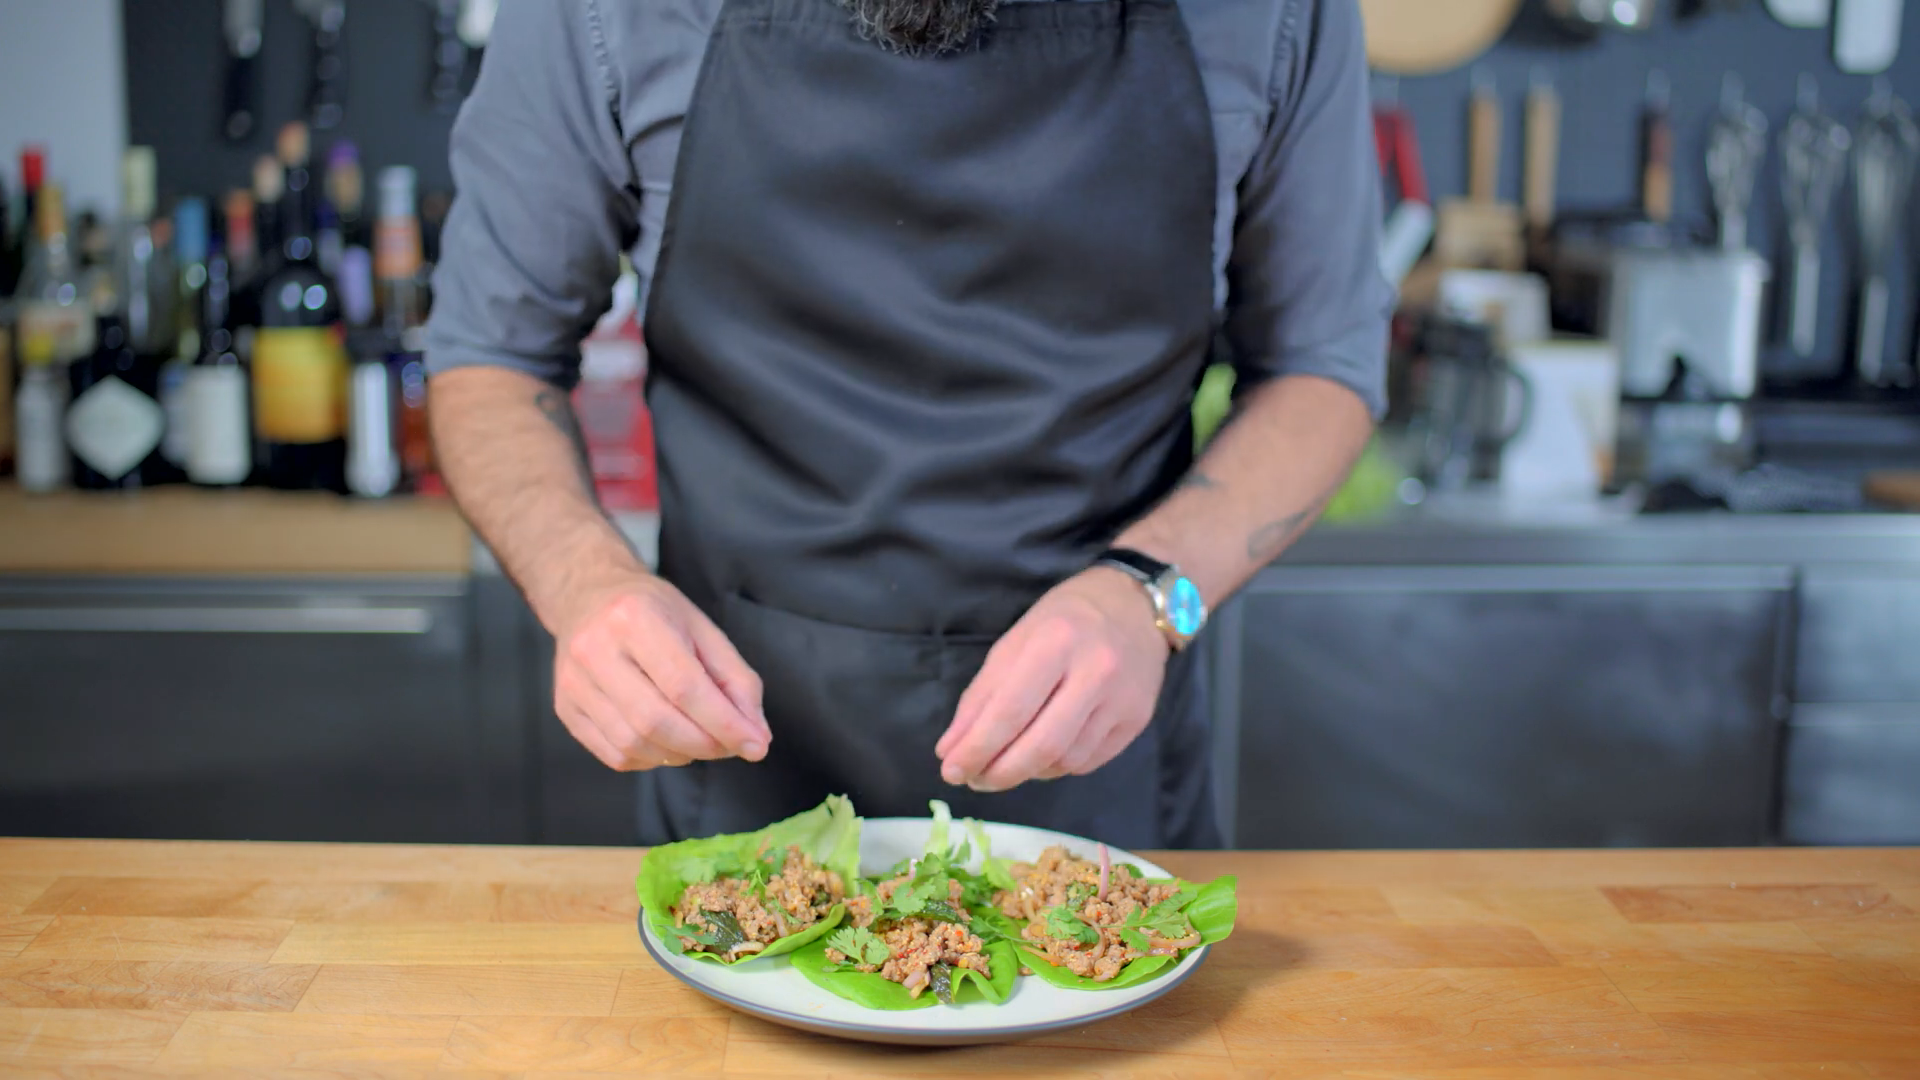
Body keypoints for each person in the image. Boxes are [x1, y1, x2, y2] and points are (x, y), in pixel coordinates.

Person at [423, 0, 1392, 849]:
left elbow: (1322, 365)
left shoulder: (1269, 13)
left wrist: (1154, 593)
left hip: (1106, 772)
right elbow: (491, 353)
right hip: (741, 765)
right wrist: (583, 584)